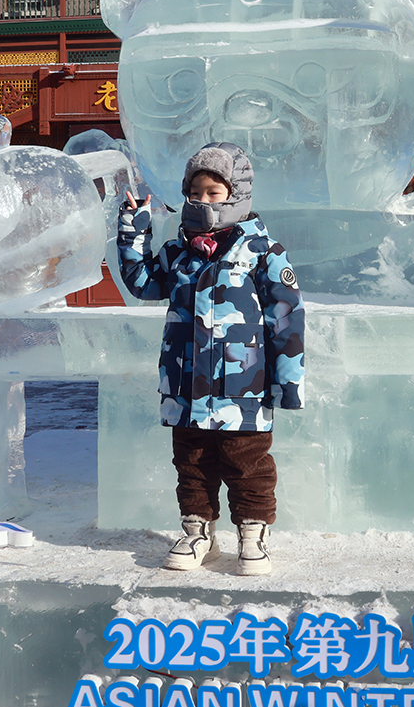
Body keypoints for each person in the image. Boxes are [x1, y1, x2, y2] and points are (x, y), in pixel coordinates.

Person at [116, 142, 305, 575]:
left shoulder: (263, 252)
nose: (202, 201)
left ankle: (253, 533)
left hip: (244, 387)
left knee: (248, 462)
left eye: (213, 193)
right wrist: (133, 230)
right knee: (192, 463)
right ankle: (198, 531)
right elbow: (143, 284)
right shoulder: (179, 252)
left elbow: (286, 318)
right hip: (186, 385)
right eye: (195, 192)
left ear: (235, 194)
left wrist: (287, 382)